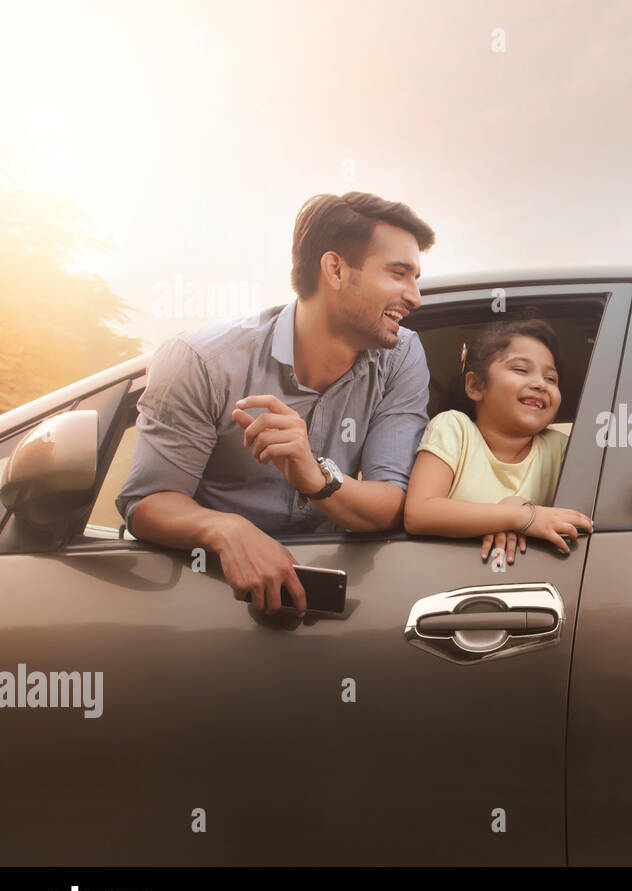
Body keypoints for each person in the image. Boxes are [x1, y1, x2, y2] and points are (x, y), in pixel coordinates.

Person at [116, 191, 436, 617]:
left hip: (329, 607)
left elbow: (390, 504)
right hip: (196, 601)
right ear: (335, 269)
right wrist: (224, 529)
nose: (414, 296)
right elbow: (149, 501)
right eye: (399, 274)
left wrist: (317, 478)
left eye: (414, 278)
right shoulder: (201, 361)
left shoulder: (402, 358)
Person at [403, 312, 593, 562]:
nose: (540, 384)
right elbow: (419, 512)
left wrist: (516, 514)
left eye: (551, 378)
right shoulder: (455, 429)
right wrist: (519, 516)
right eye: (521, 369)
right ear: (476, 386)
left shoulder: (560, 449)